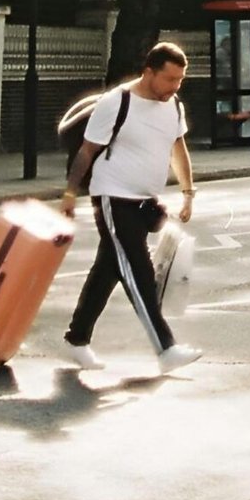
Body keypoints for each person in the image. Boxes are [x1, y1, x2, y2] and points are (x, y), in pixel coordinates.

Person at [59, 42, 202, 374]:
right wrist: (69, 194)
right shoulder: (117, 102)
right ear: (149, 72)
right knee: (138, 271)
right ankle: (166, 349)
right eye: (169, 79)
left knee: (107, 270)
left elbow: (178, 148)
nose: (175, 87)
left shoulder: (173, 106)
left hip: (144, 201)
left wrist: (188, 192)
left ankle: (76, 339)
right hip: (113, 197)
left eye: (180, 80)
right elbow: (86, 151)